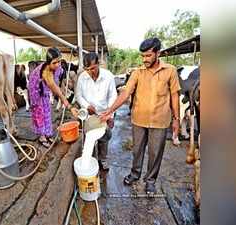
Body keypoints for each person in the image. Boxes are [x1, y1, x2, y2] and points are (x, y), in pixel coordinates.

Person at [100, 38, 181, 195]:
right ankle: (135, 174)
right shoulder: (137, 72)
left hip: (160, 121)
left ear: (158, 53)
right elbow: (125, 93)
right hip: (139, 120)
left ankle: (150, 181)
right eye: (143, 56)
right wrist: (110, 110)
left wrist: (177, 119)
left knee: (155, 153)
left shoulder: (170, 71)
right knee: (137, 150)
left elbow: (175, 96)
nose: (145, 59)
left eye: (149, 55)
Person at [28, 47, 79, 147]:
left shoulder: (57, 67)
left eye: (59, 61)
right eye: (54, 63)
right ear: (48, 63)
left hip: (44, 88)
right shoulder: (47, 74)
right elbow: (59, 93)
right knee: (39, 112)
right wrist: (70, 107)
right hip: (36, 89)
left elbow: (58, 83)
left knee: (47, 109)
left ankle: (47, 133)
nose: (57, 65)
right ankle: (42, 136)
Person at [75, 52, 118, 171]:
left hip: (104, 113)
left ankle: (103, 159)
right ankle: (91, 160)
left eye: (93, 68)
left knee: (104, 137)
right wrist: (86, 105)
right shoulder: (82, 77)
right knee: (89, 137)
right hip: (89, 114)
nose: (90, 72)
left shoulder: (108, 76)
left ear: (98, 64)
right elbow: (79, 95)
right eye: (87, 69)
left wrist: (110, 115)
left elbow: (113, 96)